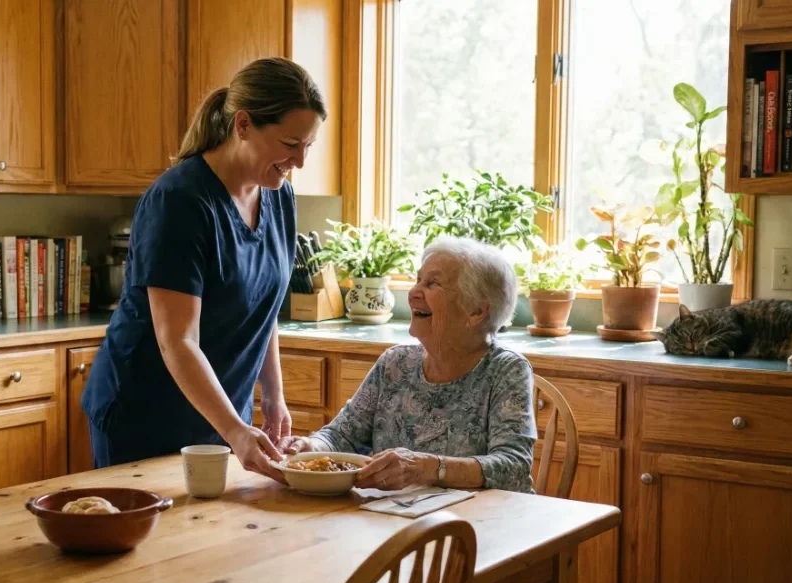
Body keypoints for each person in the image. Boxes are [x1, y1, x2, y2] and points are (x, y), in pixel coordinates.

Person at [81, 57, 325, 480]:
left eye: (309, 145)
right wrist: (235, 429)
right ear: (244, 125)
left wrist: (274, 395)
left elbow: (262, 308)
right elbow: (178, 341)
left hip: (223, 412)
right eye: (290, 144)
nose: (300, 161)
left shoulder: (279, 196)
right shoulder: (180, 201)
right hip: (146, 413)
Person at [279, 236, 537, 494]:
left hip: (476, 526)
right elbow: (339, 436)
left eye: (433, 283)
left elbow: (513, 468)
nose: (414, 293)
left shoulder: (506, 371)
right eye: (418, 280)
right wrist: (309, 448)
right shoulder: (395, 364)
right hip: (395, 520)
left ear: (476, 312)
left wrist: (425, 468)